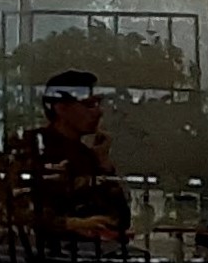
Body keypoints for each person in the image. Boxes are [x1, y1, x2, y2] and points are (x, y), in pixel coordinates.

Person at [14, 69, 129, 246]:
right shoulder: (30, 147)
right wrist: (70, 224)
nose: (98, 112)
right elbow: (14, 208)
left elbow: (120, 218)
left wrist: (104, 164)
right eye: (89, 105)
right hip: (46, 252)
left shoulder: (86, 155)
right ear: (61, 108)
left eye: (98, 104)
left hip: (89, 250)